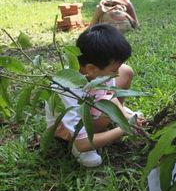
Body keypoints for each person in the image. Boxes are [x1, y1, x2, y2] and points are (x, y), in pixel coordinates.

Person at [45, 24, 145, 167]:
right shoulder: (67, 90)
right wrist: (124, 129)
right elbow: (83, 144)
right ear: (90, 68)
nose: (116, 74)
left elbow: (110, 95)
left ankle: (116, 118)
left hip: (93, 105)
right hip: (66, 128)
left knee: (126, 71)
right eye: (113, 70)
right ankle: (78, 141)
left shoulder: (97, 74)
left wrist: (126, 117)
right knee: (92, 157)